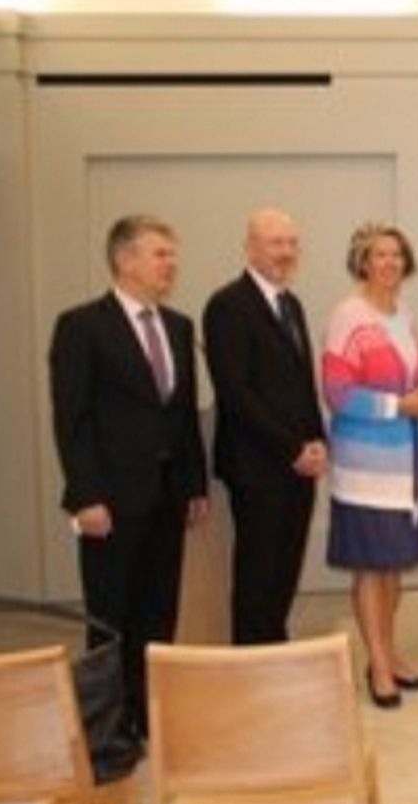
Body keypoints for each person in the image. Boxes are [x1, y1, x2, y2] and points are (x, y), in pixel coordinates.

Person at [49, 214, 209, 738]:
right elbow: (72, 421)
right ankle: (107, 727)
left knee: (157, 614)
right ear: (125, 260)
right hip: (111, 502)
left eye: (171, 253)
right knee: (111, 620)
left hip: (167, 498)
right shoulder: (82, 326)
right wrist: (85, 496)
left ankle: (147, 715)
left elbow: (183, 415)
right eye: (160, 253)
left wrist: (195, 485)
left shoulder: (179, 326)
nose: (171, 263)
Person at [322, 223, 418, 709]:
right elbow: (338, 394)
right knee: (372, 567)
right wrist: (400, 406)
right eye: (379, 255)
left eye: (396, 255)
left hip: (408, 465)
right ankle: (377, 668)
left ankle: (388, 655)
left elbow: (417, 377)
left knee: (394, 567)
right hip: (367, 466)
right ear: (363, 262)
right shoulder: (349, 316)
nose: (389, 263)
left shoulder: (404, 314)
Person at [203, 208, 328, 646]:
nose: (286, 253)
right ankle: (252, 664)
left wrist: (317, 442)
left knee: (285, 570)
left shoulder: (291, 304)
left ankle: (275, 652)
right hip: (258, 466)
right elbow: (237, 394)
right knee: (257, 576)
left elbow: (301, 385)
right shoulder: (227, 305)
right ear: (251, 247)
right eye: (276, 243)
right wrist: (292, 447)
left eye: (292, 243)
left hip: (300, 464)